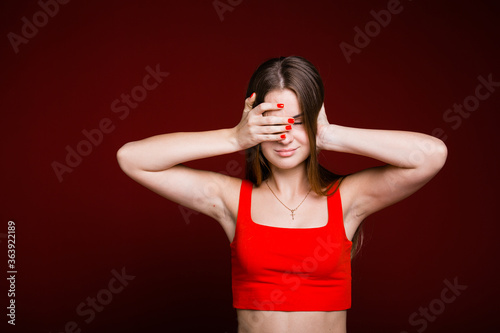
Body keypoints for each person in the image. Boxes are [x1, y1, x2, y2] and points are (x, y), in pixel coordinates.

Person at [116, 56, 447, 333]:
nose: (285, 137)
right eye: (273, 125)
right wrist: (234, 138)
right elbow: (132, 158)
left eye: (299, 122)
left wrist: (329, 135)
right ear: (254, 124)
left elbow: (431, 155)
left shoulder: (348, 198)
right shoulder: (231, 198)